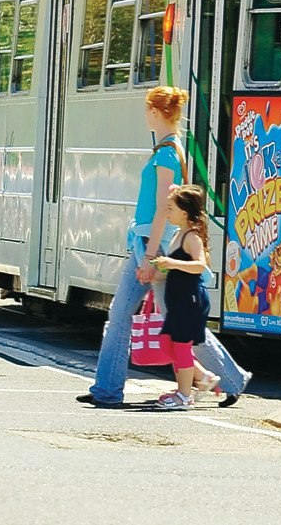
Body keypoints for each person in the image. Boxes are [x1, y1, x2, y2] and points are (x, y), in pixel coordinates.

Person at [77, 85, 251, 408]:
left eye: (147, 110)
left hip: (150, 243)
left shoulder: (168, 153)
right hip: (146, 242)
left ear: (156, 112)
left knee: (161, 317)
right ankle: (107, 388)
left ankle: (229, 378)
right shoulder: (169, 150)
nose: (145, 116)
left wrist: (151, 255)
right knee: (141, 315)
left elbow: (161, 207)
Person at [150, 186, 211, 410]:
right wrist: (157, 271)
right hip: (178, 300)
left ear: (184, 212)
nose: (167, 213)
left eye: (171, 208)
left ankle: (185, 396)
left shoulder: (191, 236)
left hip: (191, 299)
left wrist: (172, 263)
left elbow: (199, 265)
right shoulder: (178, 234)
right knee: (169, 345)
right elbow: (174, 269)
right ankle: (201, 379)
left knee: (181, 347)